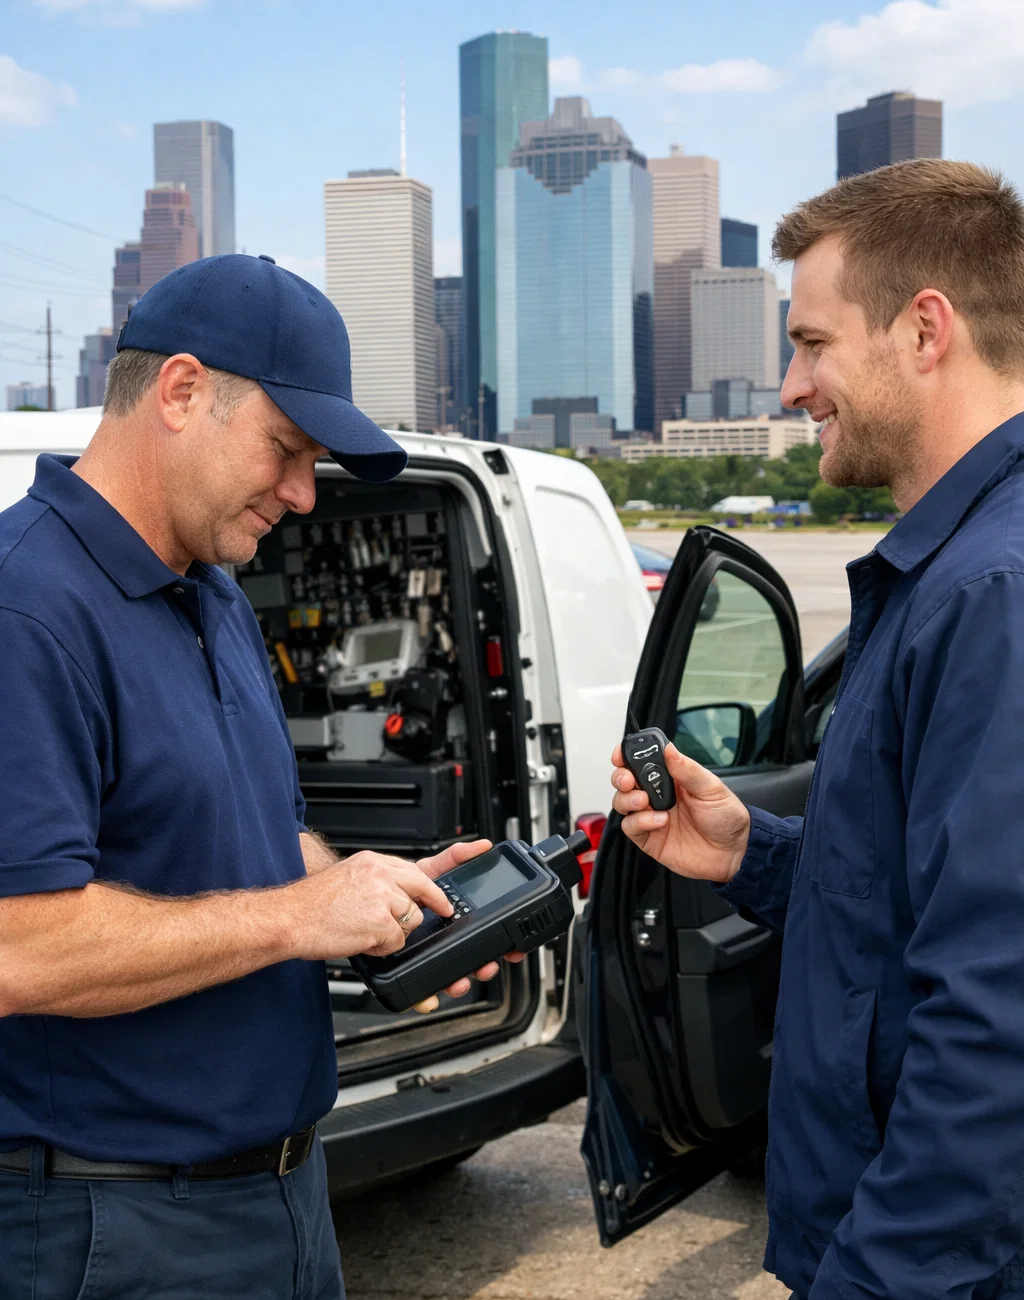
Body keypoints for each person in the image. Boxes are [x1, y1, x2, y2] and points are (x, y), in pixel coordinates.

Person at [0, 254, 512, 1299]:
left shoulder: (217, 593)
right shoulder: (26, 610)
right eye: (285, 449)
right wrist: (295, 918)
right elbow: (18, 948)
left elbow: (263, 834)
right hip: (113, 1225)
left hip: (284, 1195)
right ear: (182, 391)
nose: (301, 493)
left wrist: (374, 900)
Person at [611, 159, 1024, 1300]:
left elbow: (996, 1028)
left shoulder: (993, 593)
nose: (792, 386)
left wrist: (872, 1281)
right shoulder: (948, 573)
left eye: (812, 343)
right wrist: (752, 849)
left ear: (925, 331)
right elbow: (912, 902)